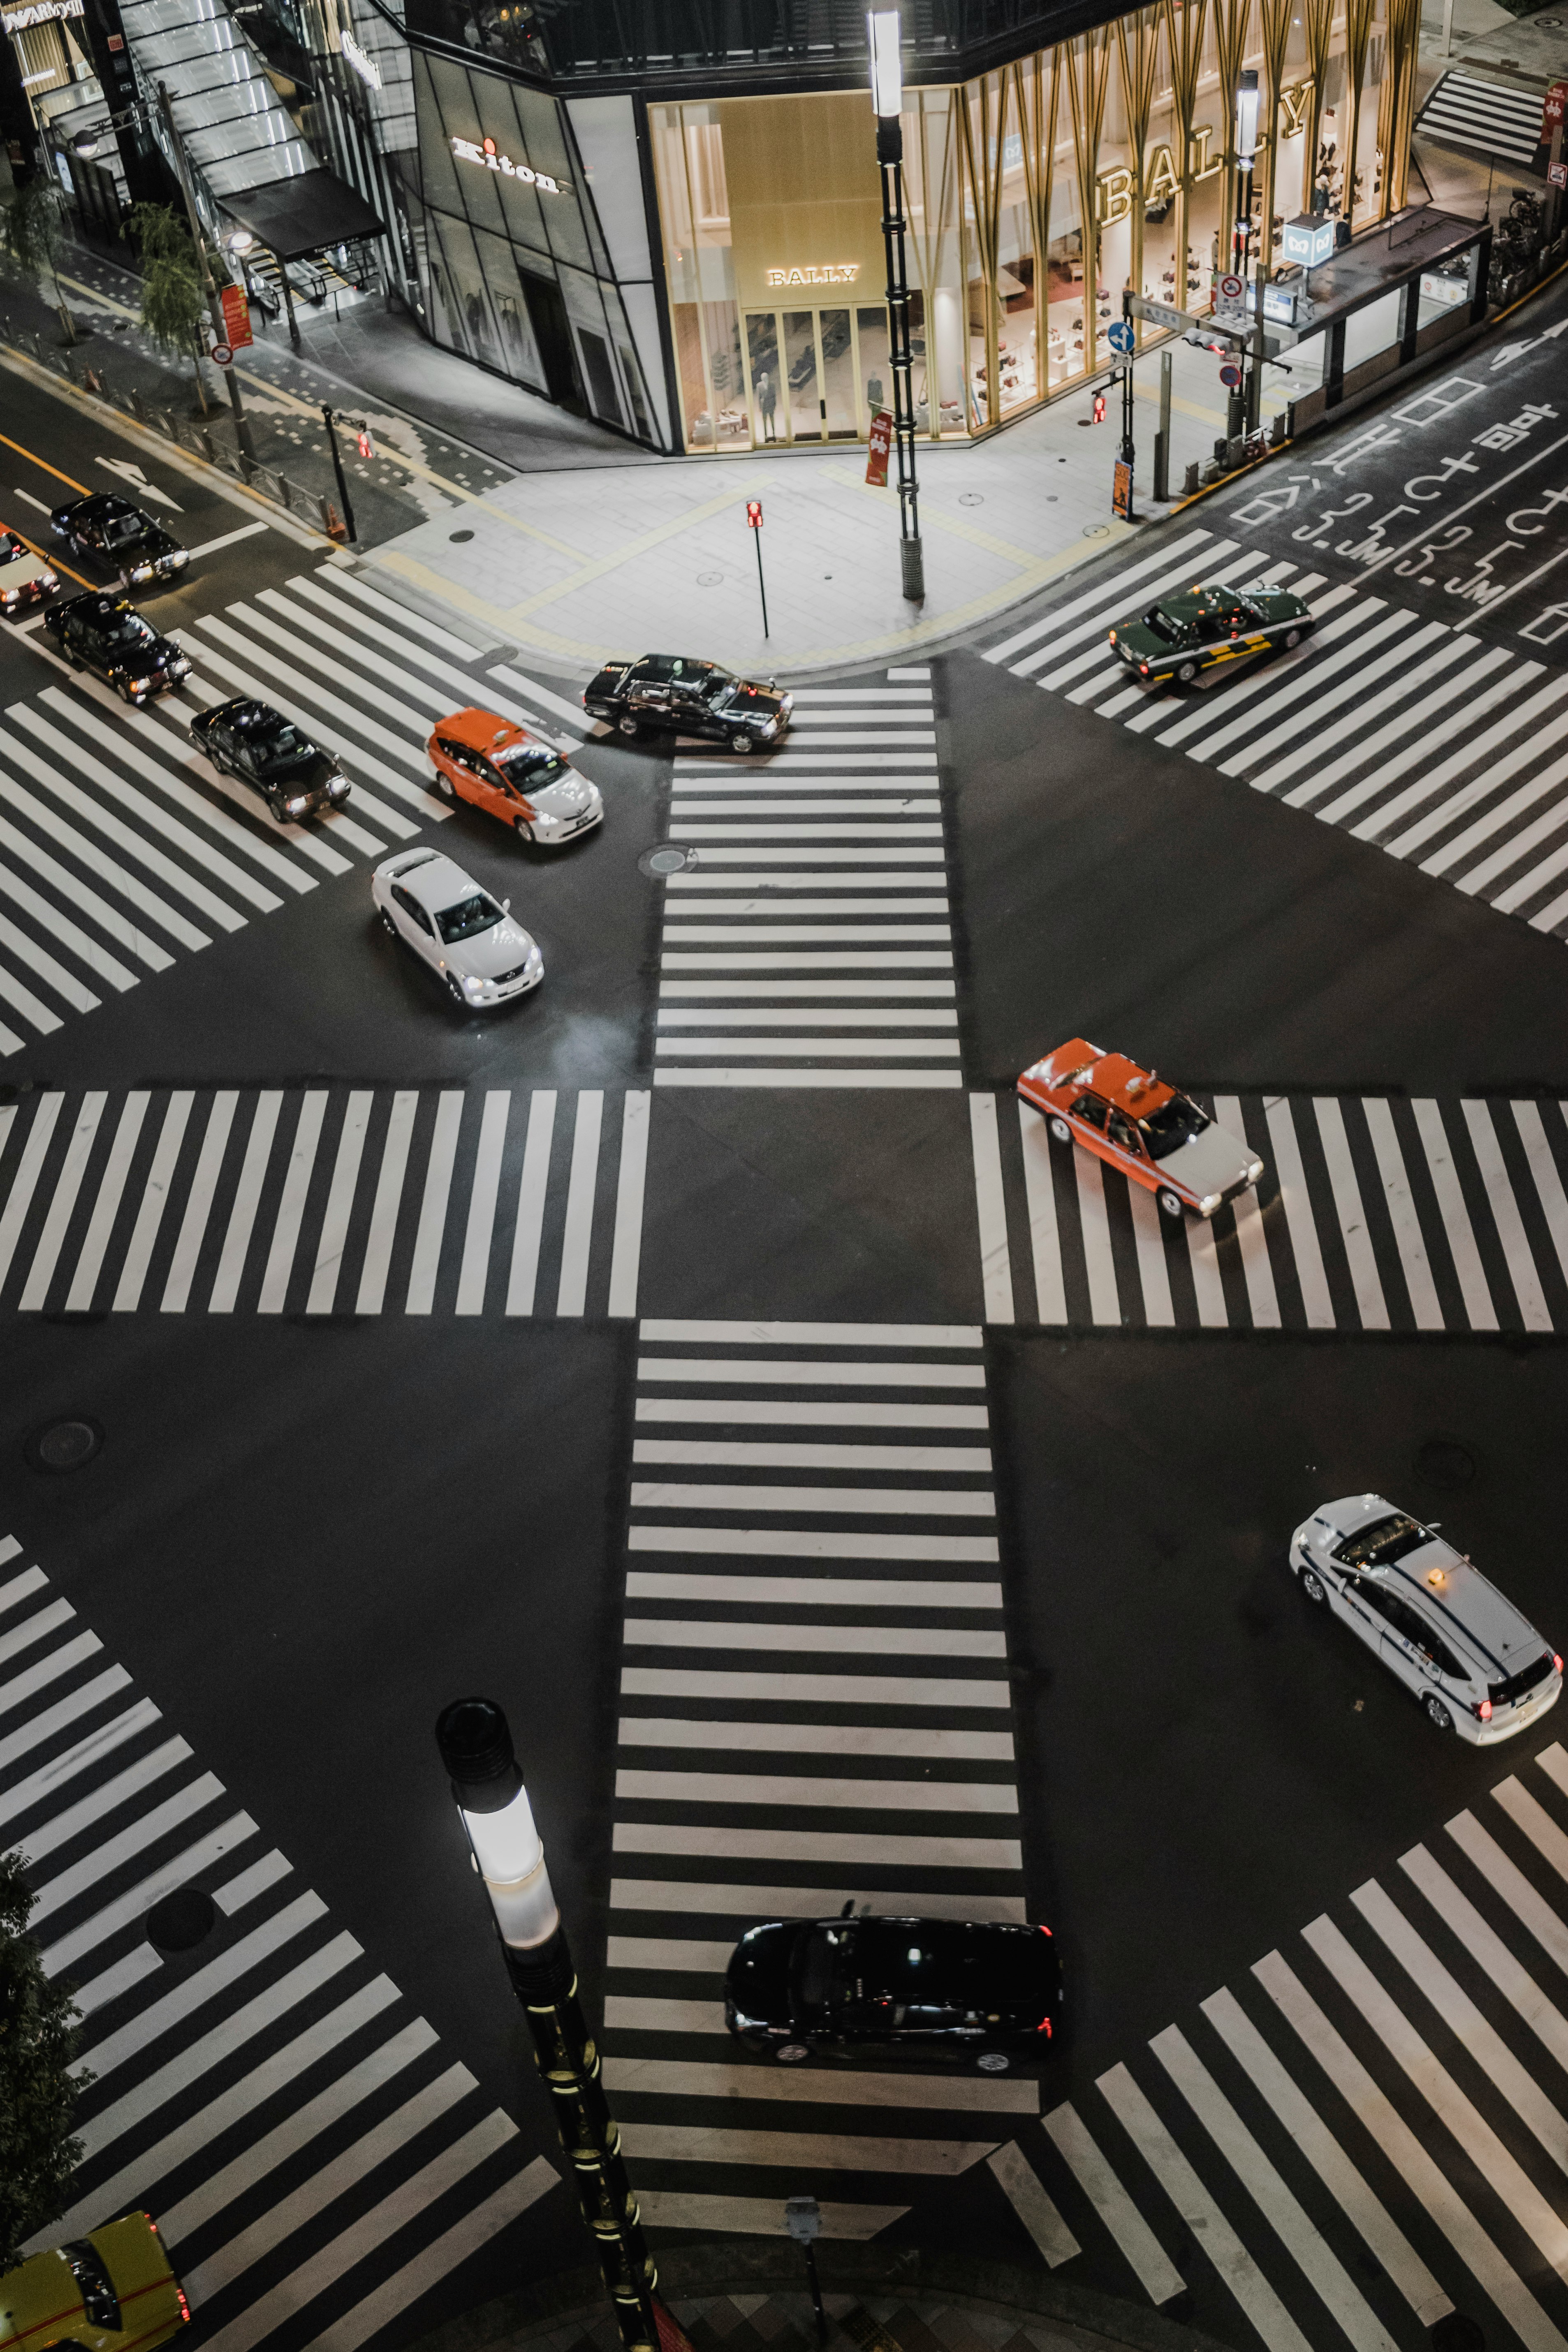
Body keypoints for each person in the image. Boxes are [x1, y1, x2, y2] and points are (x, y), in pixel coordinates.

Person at [755, 369, 777, 443]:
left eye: (766, 377)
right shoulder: (759, 385)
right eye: (764, 378)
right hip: (764, 405)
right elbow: (759, 397)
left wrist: (775, 405)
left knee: (772, 420)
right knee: (764, 421)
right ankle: (766, 435)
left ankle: (774, 433)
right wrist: (760, 407)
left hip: (771, 404)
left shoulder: (772, 385)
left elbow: (774, 396)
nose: (765, 379)